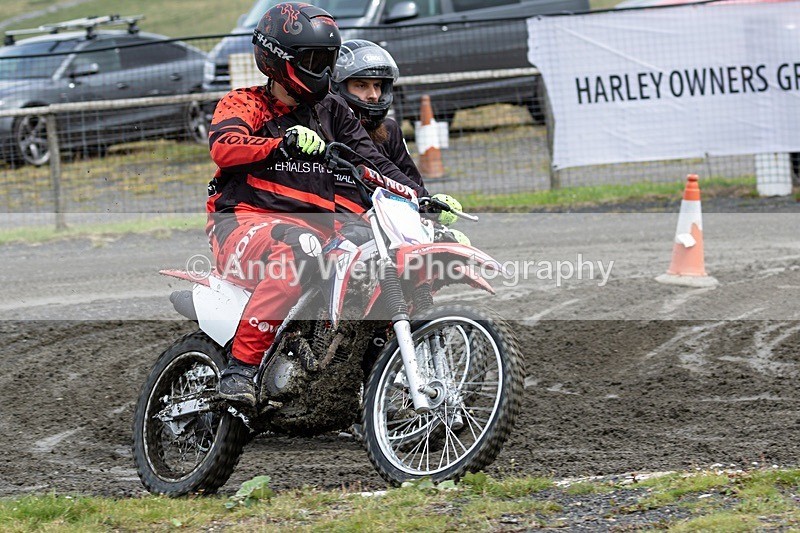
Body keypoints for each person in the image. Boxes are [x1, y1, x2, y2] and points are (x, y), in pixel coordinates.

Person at [207, 2, 428, 406]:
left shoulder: (332, 110)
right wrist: (279, 144)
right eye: (314, 60)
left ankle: (364, 384)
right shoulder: (244, 103)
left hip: (316, 230)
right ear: (278, 60)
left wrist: (421, 197)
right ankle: (240, 368)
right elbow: (224, 148)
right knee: (299, 251)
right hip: (242, 223)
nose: (324, 71)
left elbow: (372, 160)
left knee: (374, 263)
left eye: (328, 61)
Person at [330, 39, 424, 213]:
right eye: (361, 85)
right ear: (338, 87)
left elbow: (413, 183)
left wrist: (429, 205)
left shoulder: (389, 130)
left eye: (378, 86)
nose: (373, 95)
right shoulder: (324, 131)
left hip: (390, 223)